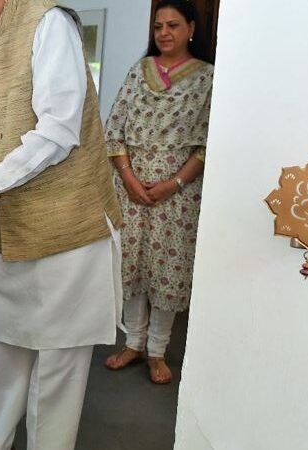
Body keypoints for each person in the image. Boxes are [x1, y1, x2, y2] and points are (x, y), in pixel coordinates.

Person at [0, 1, 124, 448]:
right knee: (2, 354)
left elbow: (59, 129)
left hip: (71, 225)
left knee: (55, 375)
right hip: (17, 229)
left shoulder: (47, 22)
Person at [102, 0, 214, 385]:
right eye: (158, 26)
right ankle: (132, 343)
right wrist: (130, 179)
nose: (164, 33)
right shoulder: (139, 72)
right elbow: (114, 128)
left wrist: (174, 183)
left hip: (178, 194)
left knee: (168, 271)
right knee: (131, 265)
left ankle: (157, 351)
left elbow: (207, 144)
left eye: (173, 25)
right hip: (130, 188)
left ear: (191, 30)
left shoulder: (206, 79)